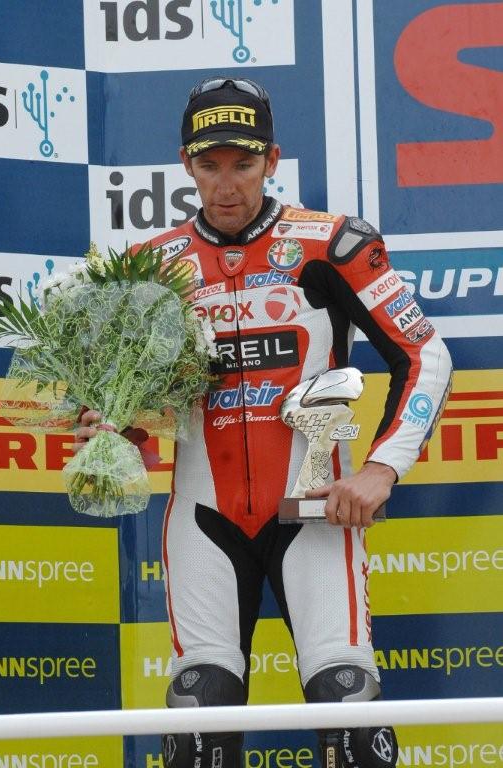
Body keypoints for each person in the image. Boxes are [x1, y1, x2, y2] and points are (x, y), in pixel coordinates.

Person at [77, 77, 452, 767]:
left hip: (315, 512)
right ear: (186, 163)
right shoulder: (148, 270)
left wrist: (381, 468)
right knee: (199, 712)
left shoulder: (332, 245)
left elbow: (426, 354)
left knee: (347, 704)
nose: (227, 185)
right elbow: (133, 408)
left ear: (272, 160)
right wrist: (109, 430)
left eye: (244, 164)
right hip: (204, 518)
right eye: (210, 164)